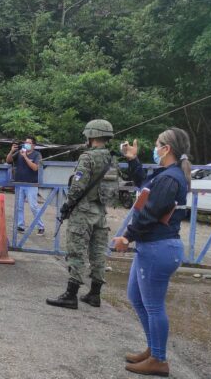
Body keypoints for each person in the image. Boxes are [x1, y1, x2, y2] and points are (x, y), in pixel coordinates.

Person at [111, 128, 190, 377]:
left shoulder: (171, 178)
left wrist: (127, 236)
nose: (154, 148)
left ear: (166, 149)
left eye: (157, 144)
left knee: (154, 306)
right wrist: (133, 159)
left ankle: (159, 359)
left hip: (159, 248)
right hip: (152, 247)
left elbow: (151, 212)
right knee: (136, 296)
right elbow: (143, 186)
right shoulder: (166, 174)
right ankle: (153, 348)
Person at [47, 119, 118, 309]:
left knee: (76, 251)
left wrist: (67, 205)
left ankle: (71, 295)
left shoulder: (87, 158)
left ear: (92, 135)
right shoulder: (111, 158)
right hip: (100, 212)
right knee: (98, 253)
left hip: (83, 211)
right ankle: (95, 294)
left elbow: (77, 186)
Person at [6, 136, 45, 234]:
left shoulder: (37, 155)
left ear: (33, 145)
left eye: (29, 143)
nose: (26, 144)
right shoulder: (19, 152)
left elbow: (35, 168)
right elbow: (8, 160)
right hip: (19, 183)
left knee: (33, 206)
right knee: (19, 206)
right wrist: (11, 151)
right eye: (25, 142)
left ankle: (40, 226)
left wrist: (25, 157)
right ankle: (20, 226)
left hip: (31, 184)